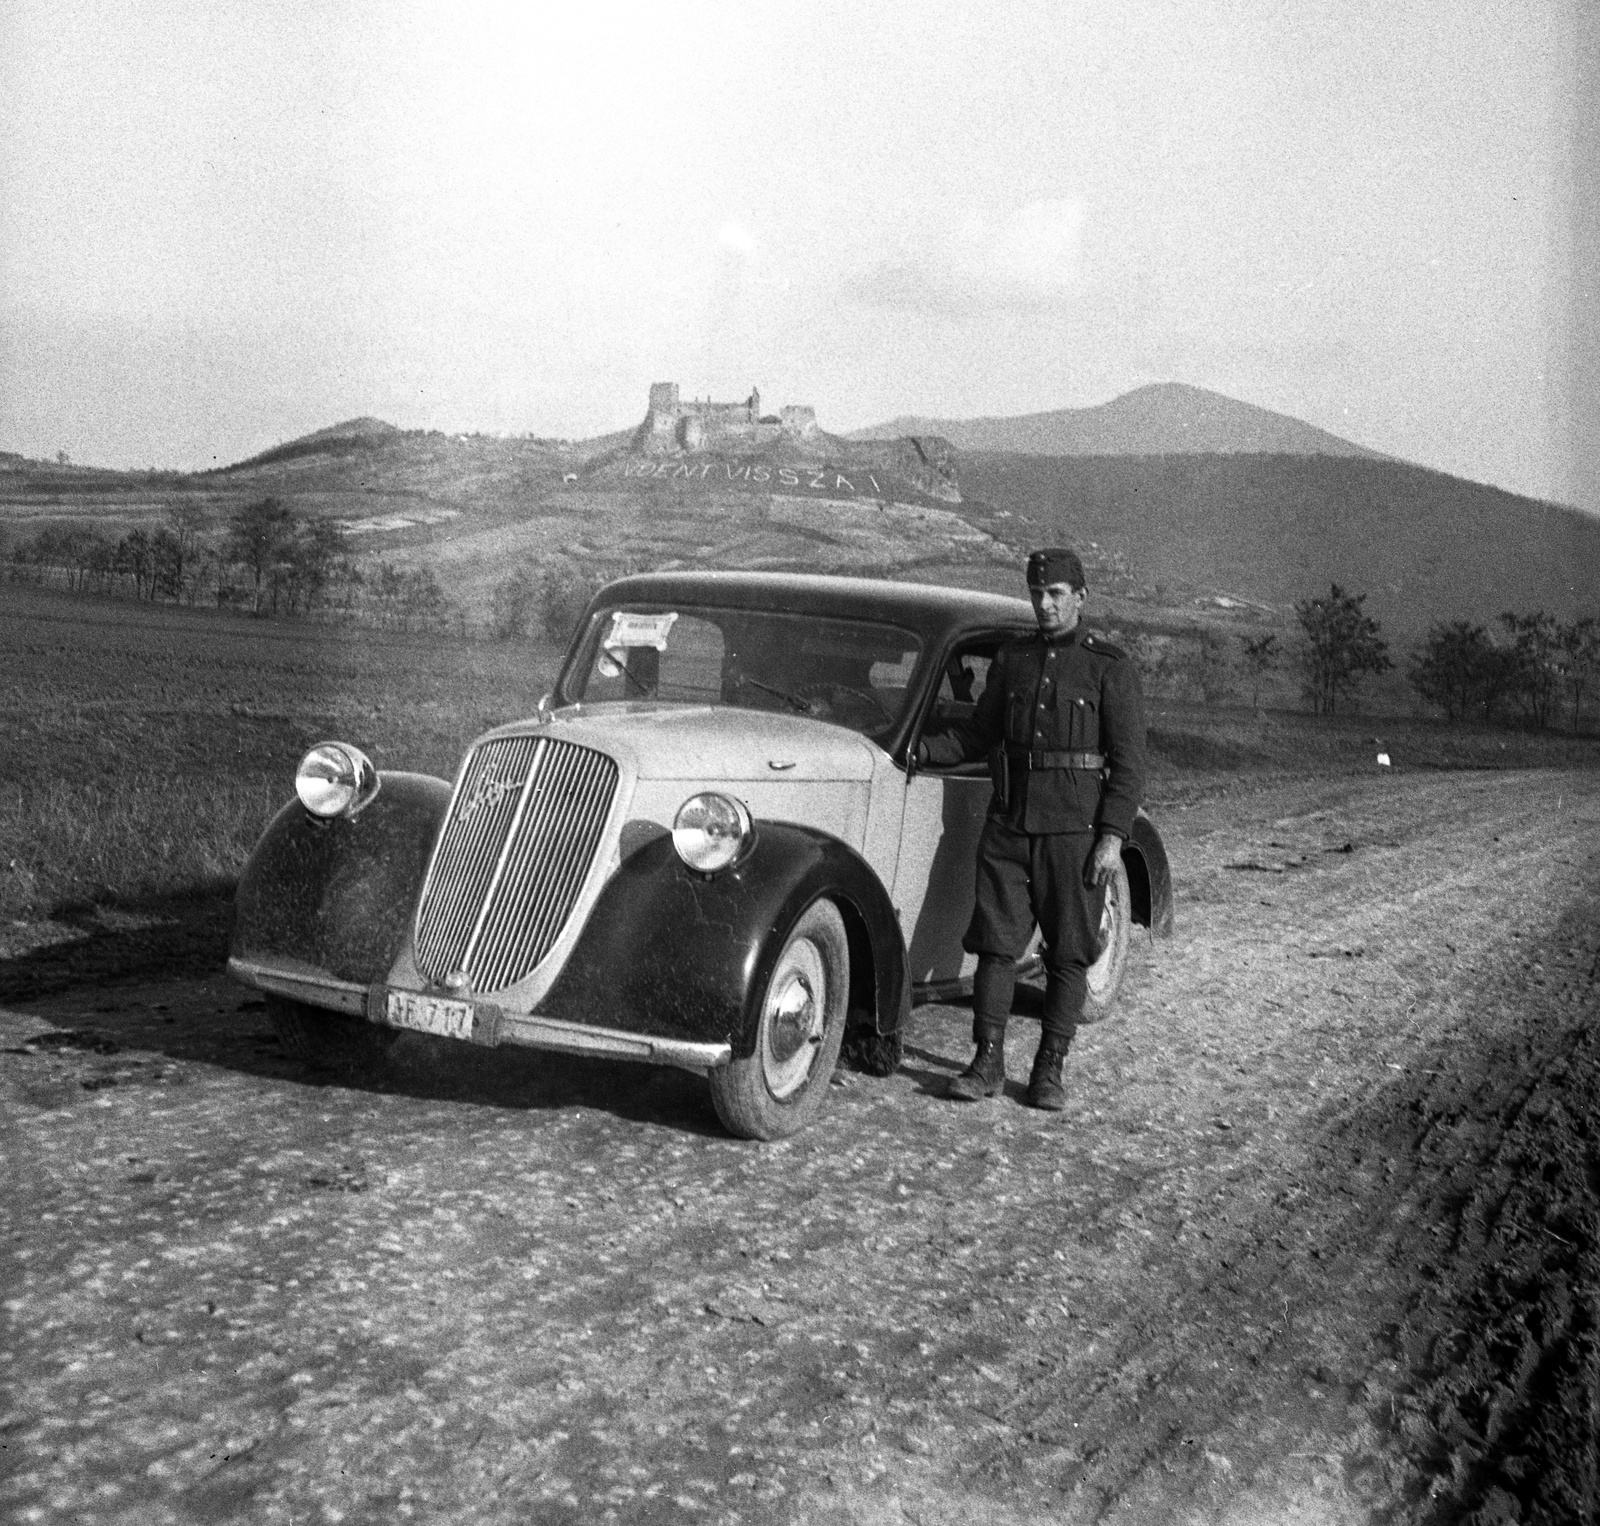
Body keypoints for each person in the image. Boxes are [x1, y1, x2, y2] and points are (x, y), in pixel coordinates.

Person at [919, 546, 1147, 1110]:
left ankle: (1049, 1068)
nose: (1044, 605)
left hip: (1075, 833)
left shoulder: (1108, 667)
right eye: (1037, 595)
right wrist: (915, 748)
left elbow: (1130, 763)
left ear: (1080, 598)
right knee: (995, 947)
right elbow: (976, 737)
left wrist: (1112, 837)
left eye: (1056, 595)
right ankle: (987, 1060)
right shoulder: (1014, 661)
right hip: (1010, 826)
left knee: (1069, 953)